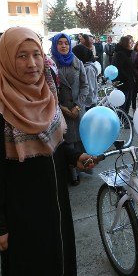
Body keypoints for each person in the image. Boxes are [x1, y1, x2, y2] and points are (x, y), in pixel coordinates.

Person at [0, 27, 97, 276]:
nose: (32, 64)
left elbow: (55, 143)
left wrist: (74, 157)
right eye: (22, 56)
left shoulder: (46, 94)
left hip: (55, 199)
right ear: (5, 59)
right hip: (22, 210)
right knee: (29, 268)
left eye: (36, 55)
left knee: (58, 256)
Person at [51, 33, 90, 185]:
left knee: (78, 140)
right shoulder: (50, 64)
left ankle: (79, 169)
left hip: (77, 109)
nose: (63, 46)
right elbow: (47, 90)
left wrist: (78, 106)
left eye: (66, 43)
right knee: (65, 142)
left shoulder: (77, 61)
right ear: (55, 45)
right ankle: (70, 173)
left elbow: (85, 86)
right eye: (60, 43)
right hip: (59, 110)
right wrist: (61, 108)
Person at [111, 35, 135, 114]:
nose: (132, 44)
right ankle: (121, 121)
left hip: (128, 83)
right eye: (130, 42)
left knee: (127, 105)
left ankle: (125, 119)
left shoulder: (126, 53)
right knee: (122, 105)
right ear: (125, 43)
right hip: (123, 84)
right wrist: (128, 79)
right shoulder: (120, 54)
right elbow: (119, 70)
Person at [72, 43, 99, 110]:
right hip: (84, 103)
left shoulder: (88, 69)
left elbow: (90, 89)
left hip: (88, 105)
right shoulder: (83, 67)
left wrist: (83, 104)